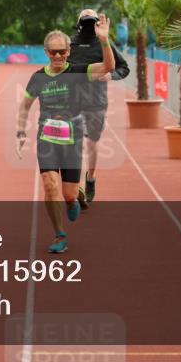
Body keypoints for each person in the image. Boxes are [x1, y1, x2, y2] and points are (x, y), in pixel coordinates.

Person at [16, 15, 114, 254]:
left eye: (62, 52)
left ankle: (72, 200)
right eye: (53, 52)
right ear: (46, 52)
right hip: (46, 139)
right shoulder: (38, 77)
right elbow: (25, 106)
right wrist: (21, 132)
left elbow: (108, 67)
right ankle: (60, 234)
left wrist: (104, 41)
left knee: (68, 195)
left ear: (69, 52)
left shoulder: (78, 72)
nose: (58, 56)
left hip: (72, 140)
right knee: (50, 185)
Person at [68, 9, 130, 208]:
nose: (88, 24)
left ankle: (91, 178)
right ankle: (75, 186)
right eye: (85, 20)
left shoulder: (104, 43)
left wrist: (110, 75)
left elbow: (123, 67)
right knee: (73, 143)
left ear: (97, 24)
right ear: (78, 23)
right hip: (71, 101)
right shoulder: (69, 44)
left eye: (92, 21)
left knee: (92, 143)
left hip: (96, 102)